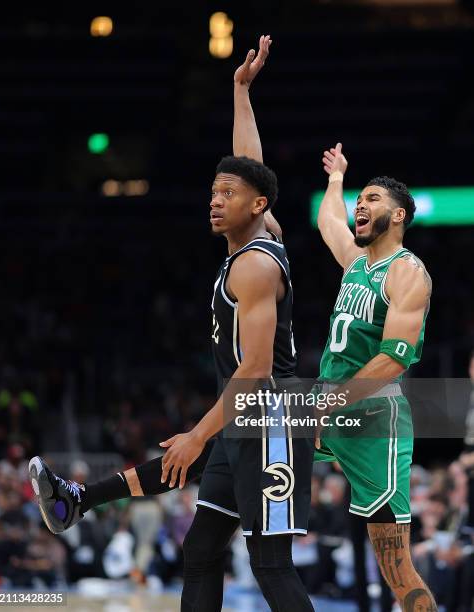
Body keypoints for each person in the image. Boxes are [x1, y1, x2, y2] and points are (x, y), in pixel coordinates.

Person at [30, 36, 316, 612]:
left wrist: (197, 434)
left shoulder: (259, 264)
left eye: (227, 193)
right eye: (213, 191)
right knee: (202, 548)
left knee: (270, 564)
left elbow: (256, 371)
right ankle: (79, 501)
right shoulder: (258, 235)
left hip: (274, 417)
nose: (216, 200)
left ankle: (79, 500)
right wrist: (240, 92)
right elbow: (251, 165)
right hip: (246, 418)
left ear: (256, 206)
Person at [313, 142, 437, 610]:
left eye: (372, 199)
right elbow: (328, 222)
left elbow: (393, 360)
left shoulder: (407, 274)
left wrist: (329, 403)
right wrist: (336, 180)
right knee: (242, 441)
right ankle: (90, 495)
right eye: (359, 200)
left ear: (399, 215)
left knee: (396, 568)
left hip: (372, 416)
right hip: (332, 404)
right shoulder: (357, 262)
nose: (360, 206)